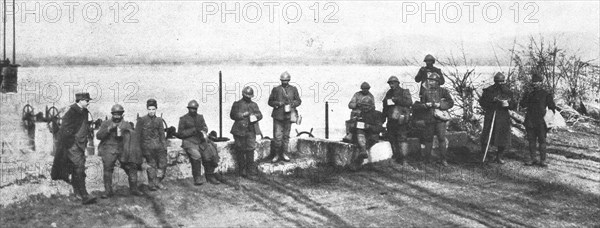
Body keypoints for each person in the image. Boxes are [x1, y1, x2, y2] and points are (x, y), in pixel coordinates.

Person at [50, 92, 97, 205]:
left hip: (81, 145)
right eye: (86, 100)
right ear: (80, 100)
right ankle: (84, 195)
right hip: (73, 146)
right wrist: (72, 142)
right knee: (79, 167)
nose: (88, 102)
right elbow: (65, 130)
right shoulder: (71, 112)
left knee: (78, 169)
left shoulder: (84, 112)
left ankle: (78, 194)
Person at [97, 104, 144, 198]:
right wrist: (109, 129)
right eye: (115, 114)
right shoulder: (106, 123)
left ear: (122, 114)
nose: (117, 116)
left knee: (132, 166)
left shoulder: (126, 124)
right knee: (108, 167)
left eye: (119, 114)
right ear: (112, 114)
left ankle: (134, 189)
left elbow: (132, 138)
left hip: (123, 149)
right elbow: (98, 136)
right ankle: (108, 191)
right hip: (109, 149)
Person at [412, 72, 454, 166]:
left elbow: (450, 103)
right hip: (429, 119)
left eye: (433, 81)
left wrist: (440, 105)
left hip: (440, 120)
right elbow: (420, 105)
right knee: (428, 139)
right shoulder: (425, 92)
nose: (430, 82)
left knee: (442, 139)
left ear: (437, 82)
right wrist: (425, 105)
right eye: (430, 80)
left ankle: (443, 159)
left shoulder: (443, 91)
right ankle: (427, 159)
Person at [177, 100, 221, 185]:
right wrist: (193, 130)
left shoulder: (200, 117)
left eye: (195, 109)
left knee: (209, 152)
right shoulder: (183, 119)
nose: (193, 110)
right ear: (188, 109)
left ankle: (210, 175)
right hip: (189, 142)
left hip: (200, 140)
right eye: (191, 109)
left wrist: (204, 130)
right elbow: (180, 133)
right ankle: (197, 177)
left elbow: (205, 127)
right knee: (196, 155)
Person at [520, 73, 557, 167]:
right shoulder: (529, 94)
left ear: (541, 82)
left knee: (542, 141)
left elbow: (552, 108)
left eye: (537, 82)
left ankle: (543, 160)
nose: (535, 83)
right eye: (533, 82)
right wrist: (525, 95)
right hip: (530, 120)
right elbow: (522, 104)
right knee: (531, 141)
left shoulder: (546, 94)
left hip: (541, 122)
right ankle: (533, 159)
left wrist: (549, 121)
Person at [479, 73, 516, 164]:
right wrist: (492, 101)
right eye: (498, 82)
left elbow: (513, 105)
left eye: (502, 82)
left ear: (504, 81)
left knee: (502, 136)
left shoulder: (508, 91)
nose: (500, 84)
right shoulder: (488, 91)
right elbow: (483, 103)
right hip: (491, 114)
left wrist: (508, 104)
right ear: (494, 81)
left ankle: (499, 156)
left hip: (503, 116)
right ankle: (485, 155)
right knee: (487, 135)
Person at [267, 71, 302, 162]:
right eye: (283, 80)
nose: (284, 82)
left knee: (286, 137)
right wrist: (278, 103)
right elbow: (270, 102)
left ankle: (284, 154)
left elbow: (298, 101)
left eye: (286, 80)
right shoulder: (276, 89)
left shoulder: (293, 89)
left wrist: (292, 104)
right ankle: (277, 155)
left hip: (289, 116)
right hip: (278, 116)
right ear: (281, 80)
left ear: (289, 80)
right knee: (277, 137)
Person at [230, 86, 263, 180]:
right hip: (239, 130)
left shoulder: (254, 105)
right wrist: (242, 115)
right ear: (243, 94)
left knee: (250, 150)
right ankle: (242, 170)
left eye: (249, 96)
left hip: (251, 130)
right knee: (240, 150)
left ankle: (251, 171)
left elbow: (260, 115)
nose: (248, 97)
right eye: (246, 95)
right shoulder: (237, 104)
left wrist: (255, 116)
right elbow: (232, 115)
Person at [135, 99, 168, 191]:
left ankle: (158, 181)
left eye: (153, 109)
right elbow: (137, 136)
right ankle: (152, 184)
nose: (151, 111)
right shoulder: (142, 120)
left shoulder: (159, 120)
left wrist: (164, 147)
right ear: (147, 109)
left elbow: (162, 135)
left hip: (159, 147)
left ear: (156, 109)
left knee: (163, 164)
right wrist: (139, 150)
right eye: (149, 109)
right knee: (151, 165)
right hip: (147, 148)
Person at [348, 95, 385, 170]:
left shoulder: (377, 114)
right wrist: (354, 123)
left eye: (367, 106)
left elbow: (380, 128)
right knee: (358, 134)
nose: (365, 108)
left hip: (371, 136)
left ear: (371, 106)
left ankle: (357, 162)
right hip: (360, 135)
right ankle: (363, 152)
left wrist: (369, 126)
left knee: (361, 145)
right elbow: (352, 129)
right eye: (363, 106)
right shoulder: (360, 114)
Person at [382, 76, 413, 165]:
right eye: (390, 84)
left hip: (401, 119)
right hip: (391, 119)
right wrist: (383, 118)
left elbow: (409, 102)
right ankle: (396, 156)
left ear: (397, 83)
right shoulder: (388, 93)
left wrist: (397, 100)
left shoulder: (404, 91)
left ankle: (404, 159)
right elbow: (385, 106)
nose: (391, 85)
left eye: (393, 83)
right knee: (392, 138)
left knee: (402, 138)